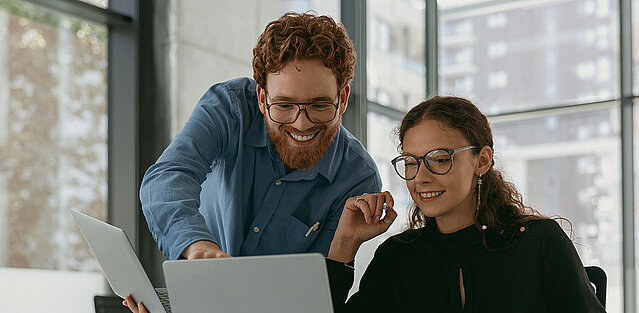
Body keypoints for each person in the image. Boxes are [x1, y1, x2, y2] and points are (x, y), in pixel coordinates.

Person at [123, 12, 382, 313]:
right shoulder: (229, 108)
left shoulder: (357, 178)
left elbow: (312, 296)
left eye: (320, 105)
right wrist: (198, 247)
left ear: (343, 98)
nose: (301, 124)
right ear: (261, 97)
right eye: (284, 105)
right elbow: (168, 177)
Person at [326, 96, 606, 312]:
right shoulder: (397, 259)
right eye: (411, 162)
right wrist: (345, 243)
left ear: (482, 160)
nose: (421, 178)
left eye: (439, 159)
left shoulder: (538, 243)